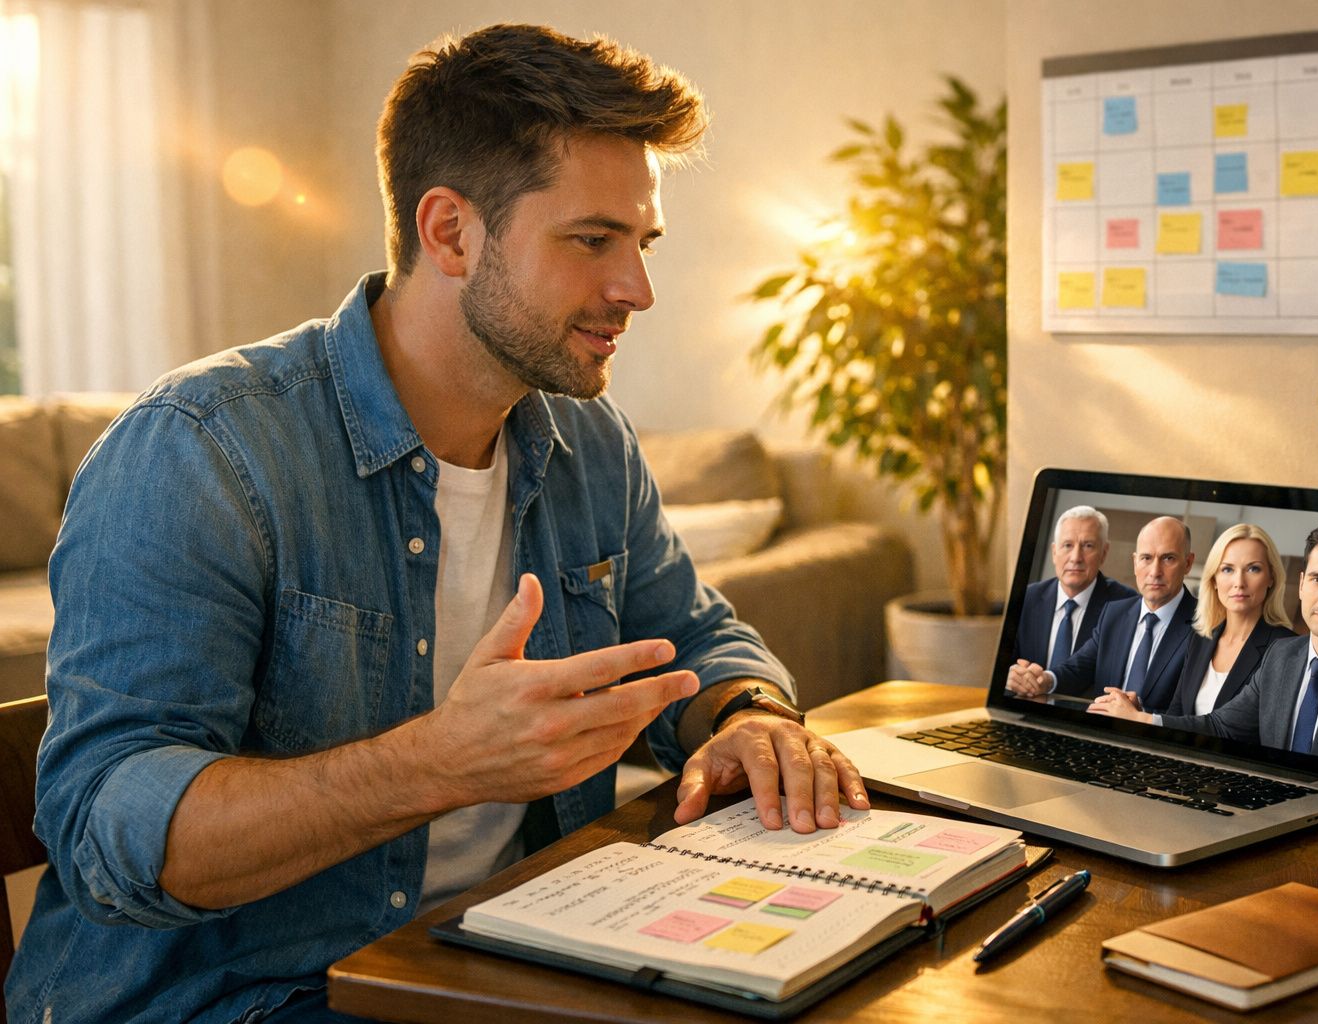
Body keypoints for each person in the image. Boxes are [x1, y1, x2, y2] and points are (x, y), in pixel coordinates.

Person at [7, 25, 867, 1024]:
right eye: (593, 240)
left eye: (642, 243)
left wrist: (749, 716)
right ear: (450, 232)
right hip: (239, 999)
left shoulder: (587, 443)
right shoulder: (202, 451)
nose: (637, 289)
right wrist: (436, 763)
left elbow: (699, 634)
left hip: (498, 959)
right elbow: (110, 835)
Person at [1089, 520, 1318, 765]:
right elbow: (1218, 725)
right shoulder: (1283, 656)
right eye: (1317, 579)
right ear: (1301, 584)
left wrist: (1142, 719)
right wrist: (1143, 717)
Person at [1006, 516, 1197, 713]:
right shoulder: (1115, 613)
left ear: (1188, 563)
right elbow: (1078, 668)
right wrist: (1044, 680)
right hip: (1099, 732)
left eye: (1168, 558)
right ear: (1135, 562)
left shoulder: (1206, 624)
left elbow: (1197, 711)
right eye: (1146, 558)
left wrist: (1142, 716)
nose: (1155, 571)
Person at [1163, 524, 1296, 716]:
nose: (1239, 583)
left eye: (1253, 569)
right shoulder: (1201, 637)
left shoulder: (1286, 648)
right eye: (1227, 569)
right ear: (1214, 580)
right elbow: (1176, 713)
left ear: (1271, 578)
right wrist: (1138, 715)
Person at [1012, 506, 1136, 671]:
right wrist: (1013, 676)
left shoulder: (1127, 605)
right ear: (1054, 552)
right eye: (1068, 545)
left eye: (1088, 546)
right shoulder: (1027, 598)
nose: (1076, 557)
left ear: (1104, 553)